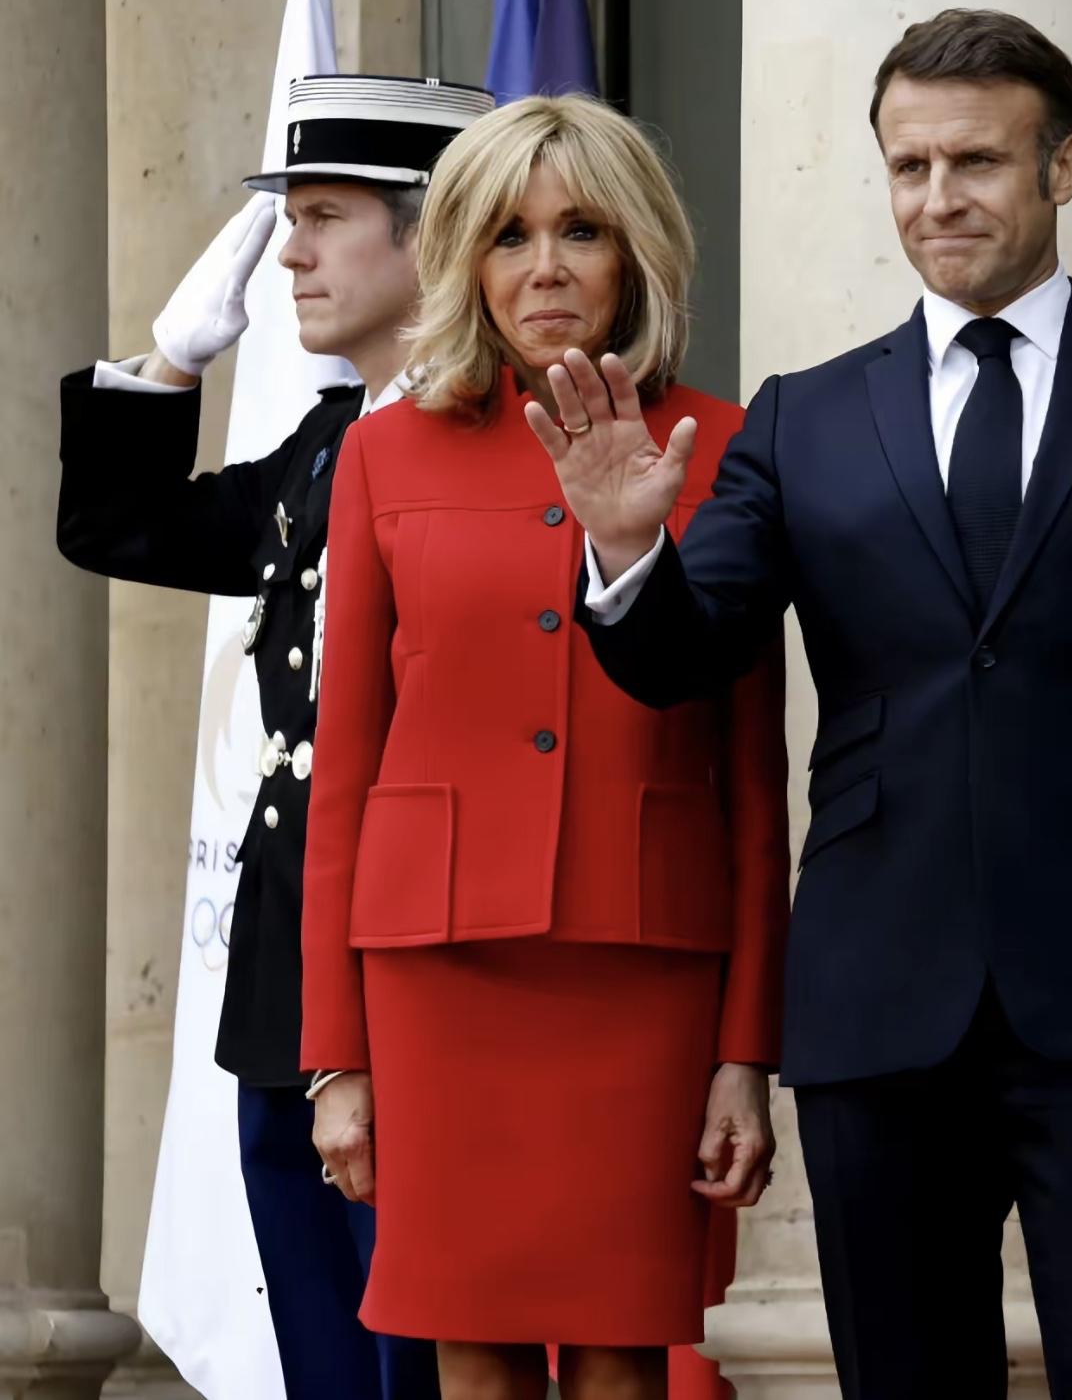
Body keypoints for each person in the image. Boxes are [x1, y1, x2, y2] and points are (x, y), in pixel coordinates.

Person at [528, 10, 1072, 1399]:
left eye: (976, 161)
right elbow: (682, 656)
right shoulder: (803, 418)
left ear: (1063, 167)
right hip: (876, 1003)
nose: (937, 198)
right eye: (908, 166)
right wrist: (625, 550)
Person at [301, 94, 790, 1400]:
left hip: (645, 970)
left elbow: (754, 783)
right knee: (468, 1343)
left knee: (628, 1350)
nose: (546, 267)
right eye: (509, 236)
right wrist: (336, 1055)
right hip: (436, 975)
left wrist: (746, 1047)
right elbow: (343, 774)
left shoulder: (725, 445)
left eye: (581, 230)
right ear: (467, 261)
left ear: (635, 250)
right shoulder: (381, 453)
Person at [57, 73, 493, 1400]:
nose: (290, 254)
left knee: (420, 1360)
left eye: (322, 217)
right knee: (323, 1361)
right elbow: (124, 530)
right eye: (289, 218)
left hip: (417, 965)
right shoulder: (330, 438)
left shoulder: (492, 444)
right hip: (287, 972)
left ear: (431, 233)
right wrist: (169, 364)